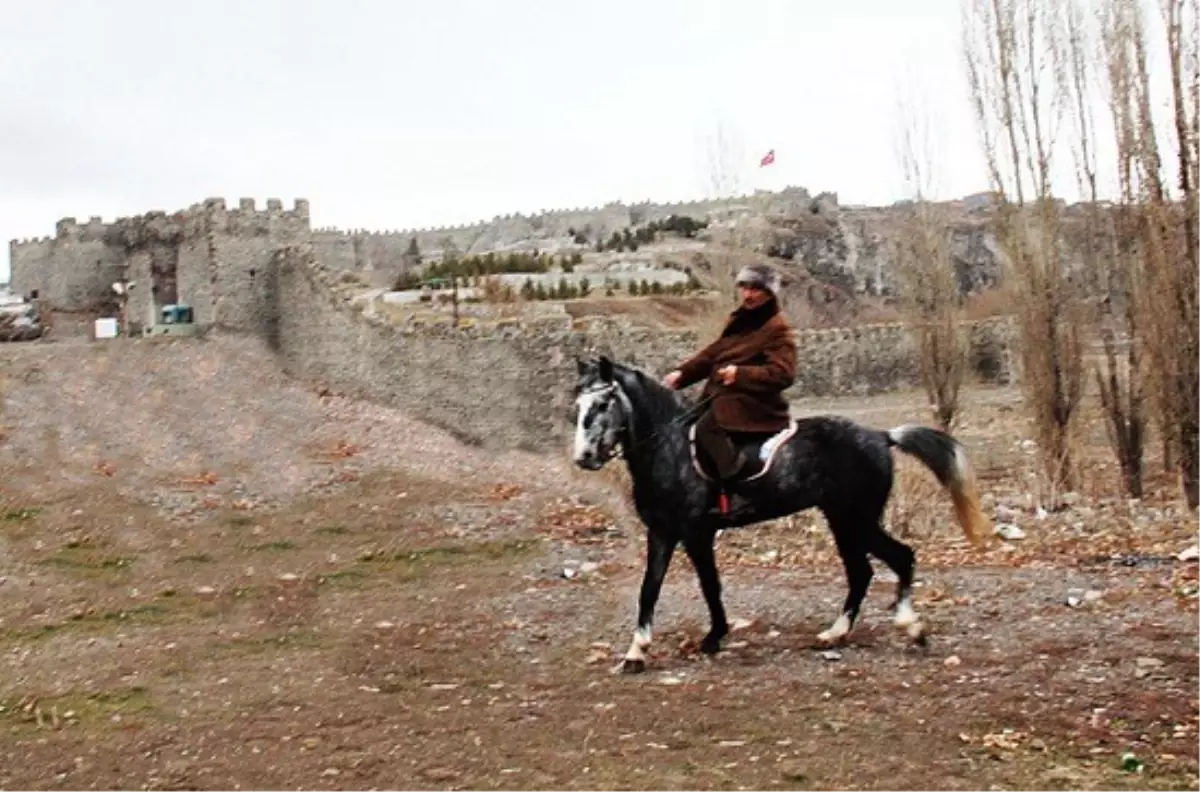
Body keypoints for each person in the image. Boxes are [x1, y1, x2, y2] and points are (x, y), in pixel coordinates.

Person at [663, 264, 797, 503]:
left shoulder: (777, 329)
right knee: (683, 425)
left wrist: (740, 374)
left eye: (756, 289)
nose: (748, 294)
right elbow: (712, 354)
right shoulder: (742, 321)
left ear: (770, 293)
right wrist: (681, 374)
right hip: (725, 397)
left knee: (706, 429)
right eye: (744, 287)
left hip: (755, 403)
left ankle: (740, 488)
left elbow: (784, 373)